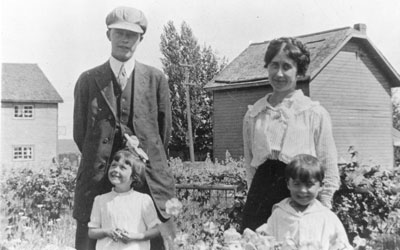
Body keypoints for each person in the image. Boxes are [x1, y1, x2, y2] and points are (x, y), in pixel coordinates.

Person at [73, 6, 174, 250]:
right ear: (109, 35)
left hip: (148, 182)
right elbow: (81, 135)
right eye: (119, 33)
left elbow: (163, 134)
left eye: (132, 34)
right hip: (99, 182)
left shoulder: (156, 79)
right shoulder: (88, 80)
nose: (125, 39)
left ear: (141, 39)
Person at [241, 37, 339, 232]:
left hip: (298, 195)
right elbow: (250, 164)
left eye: (286, 67)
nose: (279, 73)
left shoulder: (314, 113)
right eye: (274, 65)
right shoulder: (254, 114)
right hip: (260, 197)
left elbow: (328, 165)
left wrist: (323, 206)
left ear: (298, 71)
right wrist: (253, 199)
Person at [256, 154, 352, 250]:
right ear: (288, 184)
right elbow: (266, 242)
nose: (302, 190)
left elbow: (342, 245)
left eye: (309, 184)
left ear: (321, 186)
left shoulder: (327, 217)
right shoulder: (279, 214)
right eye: (296, 184)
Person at [88, 149, 161, 250]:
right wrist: (107, 232)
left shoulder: (143, 200)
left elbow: (155, 230)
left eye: (122, 168)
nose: (116, 170)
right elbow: (92, 232)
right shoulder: (100, 200)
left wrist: (133, 236)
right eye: (113, 165)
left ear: (134, 177)